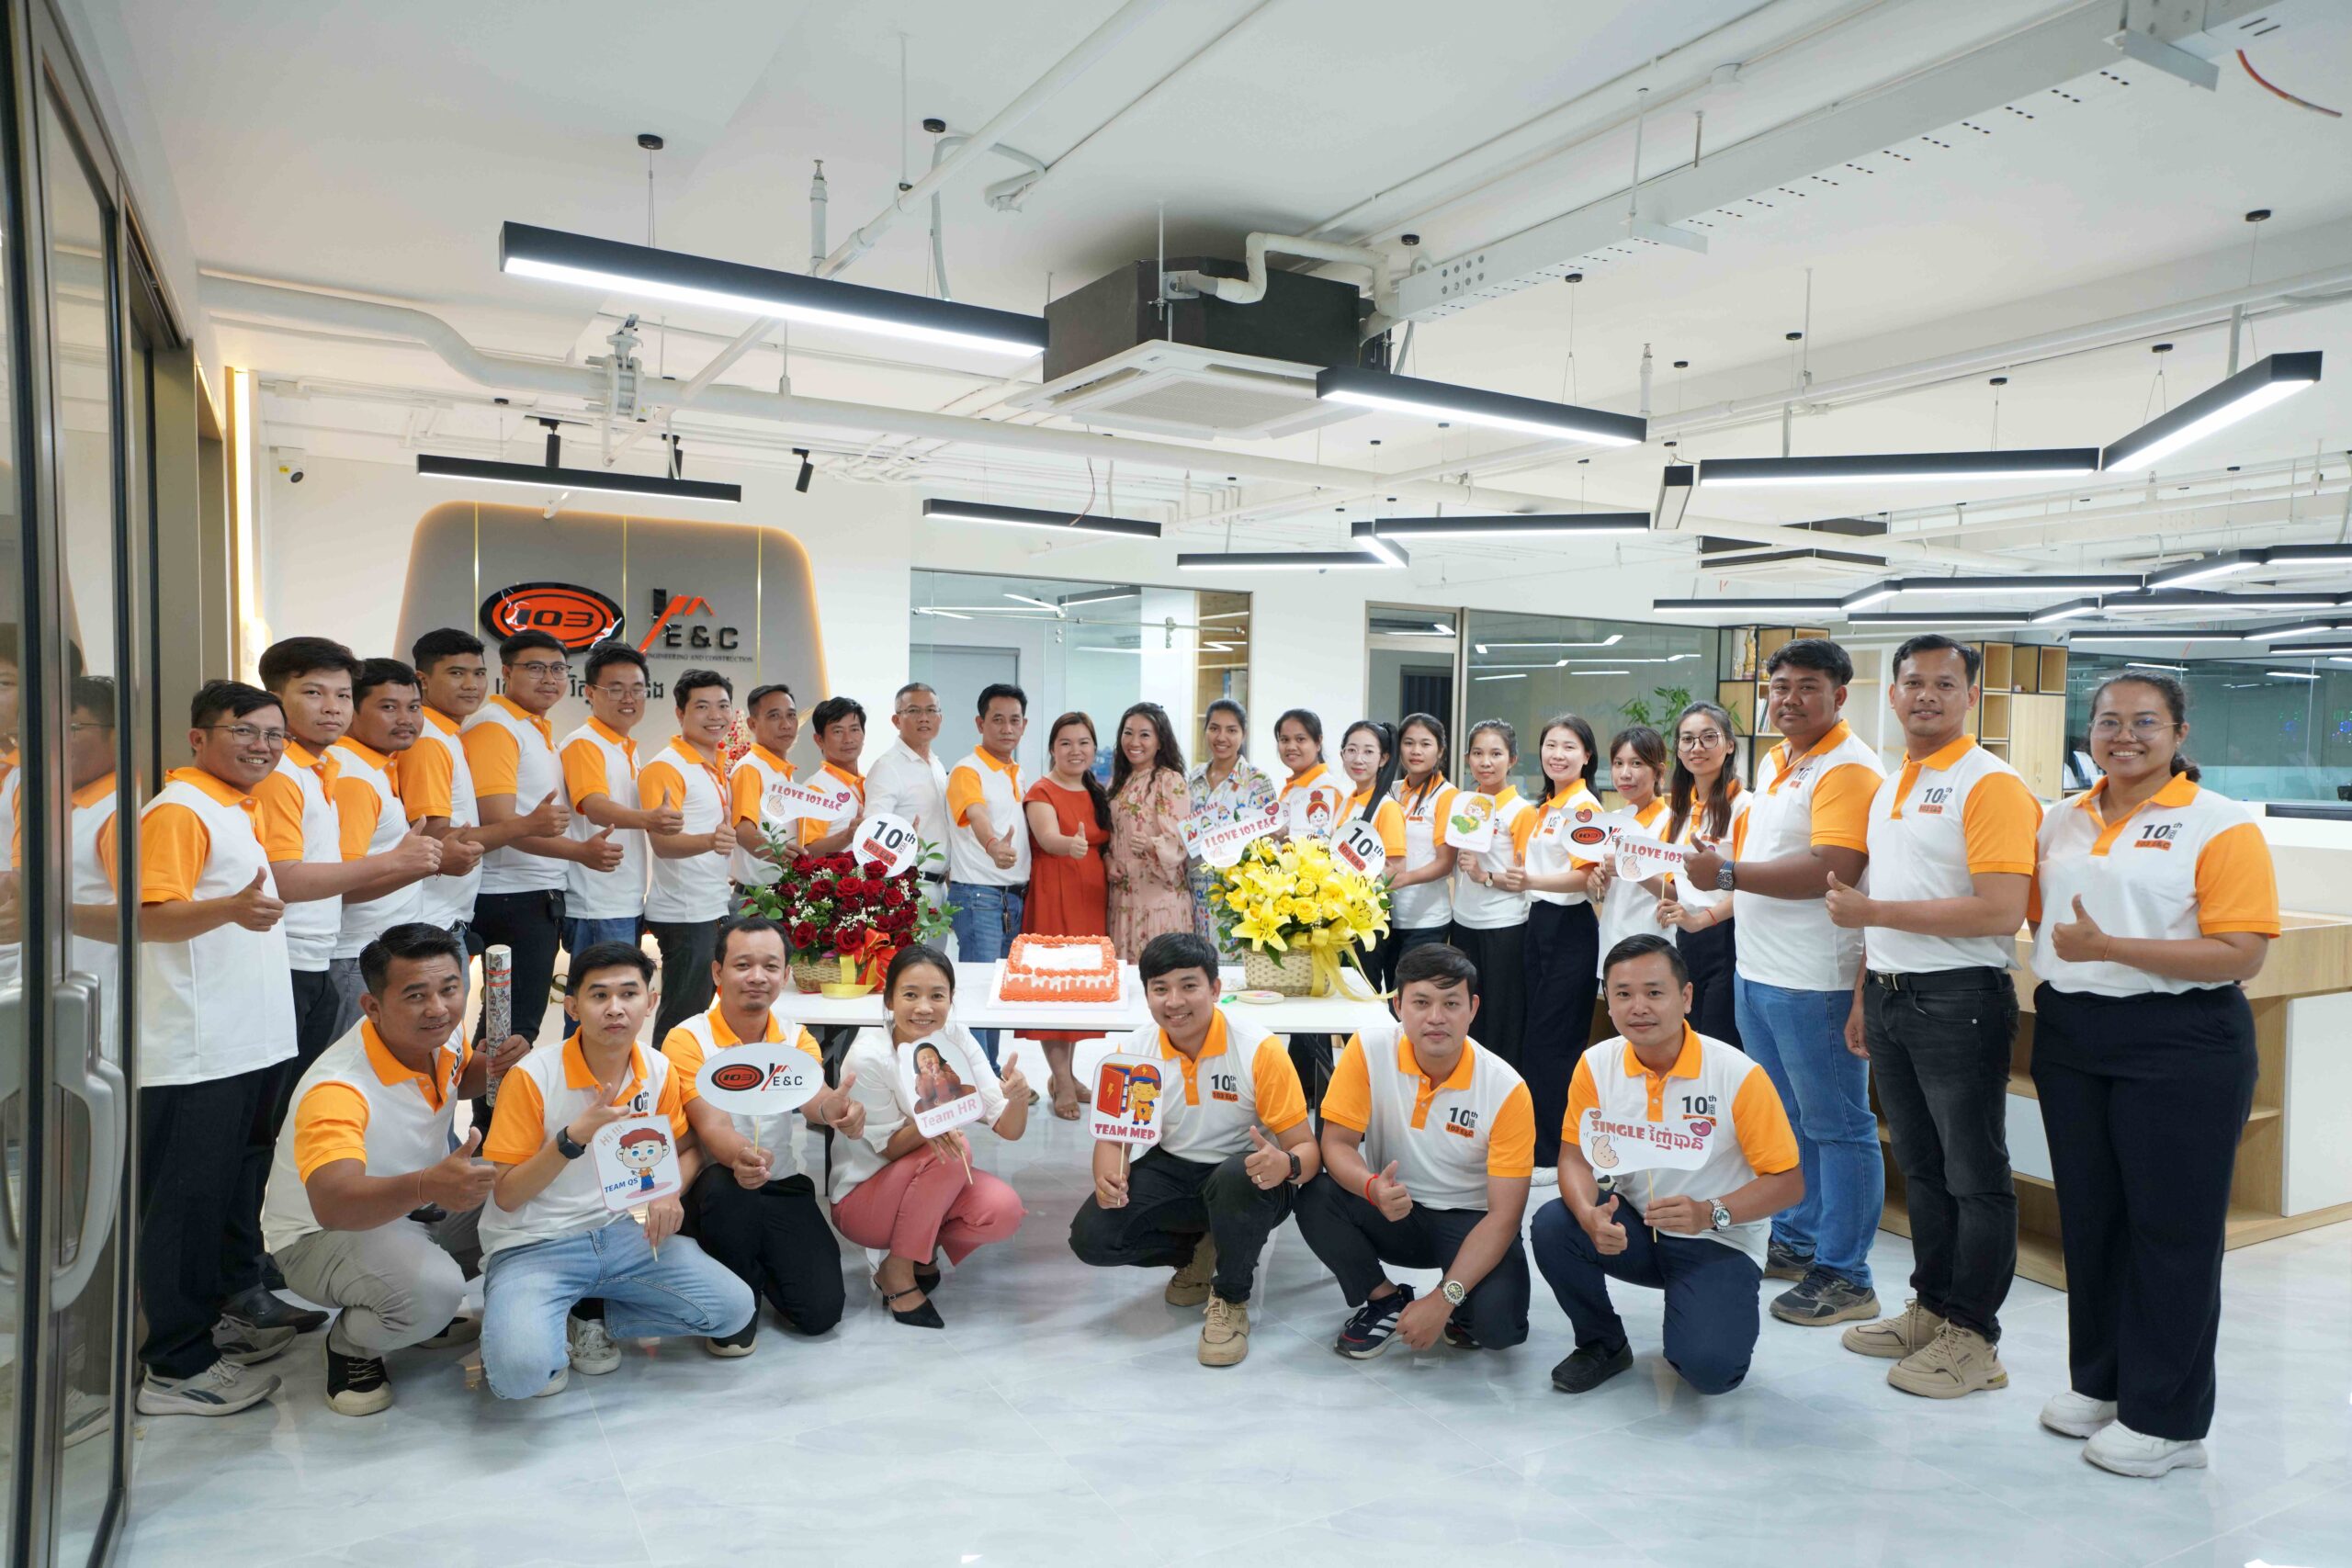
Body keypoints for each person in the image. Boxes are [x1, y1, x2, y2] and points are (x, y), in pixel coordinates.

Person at [2028, 672, 2277, 1478]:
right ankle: (2102, 1382)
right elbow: (2042, 919)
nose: (2124, 735)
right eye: (2108, 721)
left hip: (2181, 1039)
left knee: (2172, 1230)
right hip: (2073, 1032)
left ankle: (2168, 1418)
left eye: (2145, 721)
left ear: (2178, 733)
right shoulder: (2061, 818)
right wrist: (2088, 962)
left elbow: (2242, 953)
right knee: (2093, 1218)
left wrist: (2111, 949)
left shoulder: (2218, 823)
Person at [1825, 634, 2039, 1399]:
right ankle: (1933, 1309)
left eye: (1945, 684)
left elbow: (2001, 908)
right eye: (1913, 682)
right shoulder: (1893, 784)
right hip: (1892, 995)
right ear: (1892, 694)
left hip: (1959, 1000)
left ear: (1971, 696)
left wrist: (1875, 913)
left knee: (1974, 1173)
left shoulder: (1991, 783)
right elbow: (1881, 903)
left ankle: (1975, 1337)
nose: (1926, 695)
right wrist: (1864, 992)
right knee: (1921, 1166)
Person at [1685, 637, 1885, 1327]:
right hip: (1759, 970)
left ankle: (1847, 1273)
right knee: (1792, 1120)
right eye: (1779, 687)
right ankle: (1799, 1240)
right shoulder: (1777, 760)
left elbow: (1833, 869)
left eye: (1807, 687)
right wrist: (1724, 878)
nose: (1789, 699)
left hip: (1815, 980)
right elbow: (1767, 856)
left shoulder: (1847, 767)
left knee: (1840, 1127)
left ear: (1839, 695)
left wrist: (1728, 872)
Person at [264, 923, 530, 1415]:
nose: (438, 1008)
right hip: (321, 1235)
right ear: (372, 1006)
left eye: (449, 989)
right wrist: (428, 1184)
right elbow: (334, 1204)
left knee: (526, 1190)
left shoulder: (442, 1038)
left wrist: (497, 1065)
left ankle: (411, 1305)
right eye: (416, 995)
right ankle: (354, 1344)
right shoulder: (338, 1090)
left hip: (413, 1206)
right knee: (435, 1292)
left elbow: (459, 1079)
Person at [478, 942, 752, 1397]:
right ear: (572, 1007)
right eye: (599, 995)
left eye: (629, 994)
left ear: (651, 1002)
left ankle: (593, 1315)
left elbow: (689, 1149)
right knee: (521, 1376)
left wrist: (667, 1192)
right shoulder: (532, 1076)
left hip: (628, 1234)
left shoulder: (658, 1069)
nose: (615, 1008)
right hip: (536, 1244)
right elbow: (506, 1195)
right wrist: (571, 1139)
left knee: (734, 1310)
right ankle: (541, 1325)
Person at [133, 681, 303, 1416]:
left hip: (244, 1043)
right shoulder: (179, 810)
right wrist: (229, 909)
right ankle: (174, 1366)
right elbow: (148, 917)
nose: (263, 746)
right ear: (199, 737)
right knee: (182, 1204)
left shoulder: (233, 806)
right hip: (196, 1049)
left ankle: (212, 1323)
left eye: (274, 735)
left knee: (223, 1194)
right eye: (246, 731)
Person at [1533, 934, 1804, 1396]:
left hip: (1718, 1237)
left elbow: (1789, 1183)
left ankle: (1697, 1313)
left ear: (1686, 997)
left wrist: (1708, 1212)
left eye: (1654, 992)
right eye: (1623, 994)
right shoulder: (1596, 1064)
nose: (1638, 1007)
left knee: (1709, 1371)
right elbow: (1574, 1158)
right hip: (1636, 1228)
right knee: (1554, 1224)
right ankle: (1602, 1342)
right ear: (1609, 1001)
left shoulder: (1737, 1074)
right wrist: (1589, 1215)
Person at [1069, 931, 1318, 1367]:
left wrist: (1287, 1163)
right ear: (1147, 994)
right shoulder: (1133, 1052)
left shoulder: (1258, 1049)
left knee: (1235, 1176)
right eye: (1160, 989)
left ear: (1215, 989)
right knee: (1093, 1237)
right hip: (1174, 1167)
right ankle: (1201, 1252)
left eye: (1189, 986)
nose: (1174, 1002)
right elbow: (1113, 1138)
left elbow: (1306, 1148)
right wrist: (1108, 1179)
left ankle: (1231, 1299)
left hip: (1249, 1177)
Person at [1295, 942, 1532, 1357]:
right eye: (1421, 1002)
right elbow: (1336, 1144)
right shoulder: (1368, 1050)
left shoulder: (1506, 1088)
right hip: (1392, 1208)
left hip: (1470, 1221)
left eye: (1451, 1003)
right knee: (1317, 1195)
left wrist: (1443, 1299)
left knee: (1498, 1329)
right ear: (1398, 1005)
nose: (1436, 1017)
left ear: (1473, 1008)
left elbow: (1505, 1215)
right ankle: (1385, 1300)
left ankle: (1458, 1306)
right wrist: (1371, 1187)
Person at [665, 914, 862, 1357]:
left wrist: (837, 1110)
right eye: (743, 965)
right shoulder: (687, 1039)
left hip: (781, 1183)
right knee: (727, 1190)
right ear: (717, 972)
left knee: (820, 1313)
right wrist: (741, 1156)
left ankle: (756, 1263)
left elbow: (816, 1099)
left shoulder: (794, 1037)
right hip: (717, 1187)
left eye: (770, 966)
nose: (757, 977)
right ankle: (737, 1302)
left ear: (785, 975)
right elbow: (712, 1125)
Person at [833, 945, 1030, 1326]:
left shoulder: (955, 1038)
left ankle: (920, 1250)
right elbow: (888, 1149)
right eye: (910, 994)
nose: (924, 1007)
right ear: (889, 999)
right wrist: (932, 1123)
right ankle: (898, 1271)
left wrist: (1018, 1098)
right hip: (865, 1198)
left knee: (1001, 1211)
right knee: (954, 1149)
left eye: (937, 996)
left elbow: (1008, 1128)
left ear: (951, 1000)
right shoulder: (869, 1056)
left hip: (931, 1182)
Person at [462, 630, 583, 1047]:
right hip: (510, 897)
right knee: (511, 1027)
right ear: (507, 672)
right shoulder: (496, 727)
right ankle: (491, 1093)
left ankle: (493, 1090)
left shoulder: (532, 728)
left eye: (558, 669)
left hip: (531, 894)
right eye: (535, 668)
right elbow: (500, 822)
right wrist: (582, 852)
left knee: (514, 1022)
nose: (549, 678)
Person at [328, 659, 449, 1032]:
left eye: (413, 707)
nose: (405, 719)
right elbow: (341, 886)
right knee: (358, 1061)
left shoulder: (376, 767)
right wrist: (418, 865)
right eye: (388, 707)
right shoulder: (355, 779)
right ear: (352, 710)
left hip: (373, 952)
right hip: (356, 956)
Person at [1517, 715, 1606, 1187]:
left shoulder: (1584, 807)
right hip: (1540, 923)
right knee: (1539, 1039)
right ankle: (1540, 1143)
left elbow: (1584, 877)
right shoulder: (1549, 805)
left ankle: (1554, 1154)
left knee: (1555, 1044)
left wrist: (1528, 880)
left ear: (1587, 756)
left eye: (1569, 746)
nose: (1558, 754)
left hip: (1569, 928)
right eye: (1550, 745)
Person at [639, 669, 740, 1043]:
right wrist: (711, 841)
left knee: (700, 1018)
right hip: (684, 915)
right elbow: (663, 844)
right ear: (680, 713)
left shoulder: (714, 765)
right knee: (681, 1019)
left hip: (709, 908)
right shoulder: (666, 767)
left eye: (723, 706)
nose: (716, 715)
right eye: (702, 707)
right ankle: (668, 1080)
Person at [1022, 711, 1111, 1118]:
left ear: (1094, 747)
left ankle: (1066, 1077)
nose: (1076, 750)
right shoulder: (1041, 790)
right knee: (1053, 988)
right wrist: (1069, 846)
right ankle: (1061, 1080)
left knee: (1078, 989)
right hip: (1054, 895)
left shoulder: (1095, 789)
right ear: (1052, 749)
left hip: (1090, 898)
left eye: (1083, 743)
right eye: (1066, 743)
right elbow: (1047, 837)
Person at [401, 627, 511, 947]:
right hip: (430, 921)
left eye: (479, 673)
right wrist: (526, 827)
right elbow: (434, 836)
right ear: (422, 680)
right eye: (456, 673)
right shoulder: (429, 740)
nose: (471, 684)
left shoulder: (447, 734)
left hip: (445, 916)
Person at [559, 639, 666, 956]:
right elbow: (595, 807)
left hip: (622, 899)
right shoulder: (585, 743)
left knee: (622, 986)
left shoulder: (623, 746)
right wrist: (650, 819)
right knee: (602, 987)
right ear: (590, 692)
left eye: (637, 689)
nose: (629, 698)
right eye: (616, 689)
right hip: (597, 903)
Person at [1449, 719, 1542, 1073]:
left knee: (1502, 1018)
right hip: (1463, 922)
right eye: (1477, 753)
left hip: (1505, 926)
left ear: (1512, 759)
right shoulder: (1464, 804)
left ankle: (1503, 1089)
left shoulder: (1521, 811)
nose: (1485, 762)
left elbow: (1526, 879)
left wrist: (1484, 876)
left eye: (1496, 754)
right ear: (1467, 759)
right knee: (1467, 1013)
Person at [945, 683, 1030, 1066]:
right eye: (997, 719)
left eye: (1015, 720)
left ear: (1024, 725)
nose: (1007, 728)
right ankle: (980, 1077)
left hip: (1011, 897)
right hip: (979, 896)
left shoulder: (1017, 772)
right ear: (980, 724)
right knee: (978, 991)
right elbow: (976, 814)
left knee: (997, 992)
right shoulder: (968, 769)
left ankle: (989, 1073)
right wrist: (994, 845)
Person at [1655, 703, 1747, 1045]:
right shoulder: (1680, 811)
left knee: (1719, 1042)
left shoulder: (1744, 806)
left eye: (1709, 738)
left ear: (1730, 745)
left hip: (1728, 936)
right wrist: (1629, 869)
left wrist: (1701, 920)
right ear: (1678, 750)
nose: (1697, 748)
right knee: (1691, 1038)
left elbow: (1750, 886)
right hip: (1688, 938)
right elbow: (1682, 887)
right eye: (1687, 739)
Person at [1186, 697, 1279, 953]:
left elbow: (1267, 844)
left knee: (1234, 968)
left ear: (1243, 734)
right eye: (1214, 728)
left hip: (1236, 898)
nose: (1221, 737)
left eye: (1231, 730)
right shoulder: (1192, 778)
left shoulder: (1257, 781)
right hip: (1194, 891)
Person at [1585, 726, 1673, 983]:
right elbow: (1598, 895)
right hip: (1611, 943)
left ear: (1659, 772)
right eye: (1618, 763)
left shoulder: (1671, 822)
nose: (1625, 773)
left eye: (1636, 763)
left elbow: (1675, 894)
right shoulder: (1611, 821)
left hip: (1653, 945)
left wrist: (1629, 870)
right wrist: (1596, 885)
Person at [1107, 702, 1192, 956]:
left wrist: (1151, 844)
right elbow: (1111, 834)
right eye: (1128, 733)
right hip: (1123, 898)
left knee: (1159, 970)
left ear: (1160, 742)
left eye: (1144, 735)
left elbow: (1181, 841)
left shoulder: (1170, 780)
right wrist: (1108, 859)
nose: (1134, 742)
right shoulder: (1117, 782)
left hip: (1158, 899)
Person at [863, 681, 953, 916]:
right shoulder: (888, 767)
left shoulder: (936, 764)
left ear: (940, 718)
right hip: (906, 889)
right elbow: (872, 834)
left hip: (940, 887)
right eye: (914, 711)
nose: (924, 718)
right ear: (896, 720)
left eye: (931, 710)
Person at [1336, 719, 1408, 992]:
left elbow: (1395, 869)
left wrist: (1360, 892)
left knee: (1362, 993)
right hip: (1339, 916)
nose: (1359, 759)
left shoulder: (1387, 807)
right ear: (1342, 754)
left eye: (1368, 751)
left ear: (1383, 759)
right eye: (1351, 750)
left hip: (1367, 920)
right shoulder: (1347, 801)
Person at [1387, 712, 1459, 961]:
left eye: (1425, 744)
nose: (1416, 751)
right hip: (1385, 916)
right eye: (1408, 743)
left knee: (1412, 984)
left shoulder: (1447, 795)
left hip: (1427, 920)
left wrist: (1402, 879)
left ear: (1440, 751)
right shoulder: (1391, 790)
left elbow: (1445, 863)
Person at [728, 682, 799, 894]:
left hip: (779, 891)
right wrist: (778, 854)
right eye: (774, 716)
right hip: (757, 896)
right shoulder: (751, 768)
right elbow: (743, 830)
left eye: (791, 715)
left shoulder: (781, 770)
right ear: (752, 724)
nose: (786, 724)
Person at [797, 694, 870, 856]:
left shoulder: (868, 784)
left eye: (854, 729)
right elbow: (806, 853)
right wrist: (847, 836)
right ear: (819, 740)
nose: (848, 739)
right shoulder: (816, 789)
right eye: (838, 731)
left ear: (863, 734)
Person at [1272, 708, 1345, 839]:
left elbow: (1323, 843)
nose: (1291, 747)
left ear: (1318, 742)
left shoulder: (1325, 788)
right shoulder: (1294, 786)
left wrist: (1284, 834)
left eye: (1300, 739)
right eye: (1284, 740)